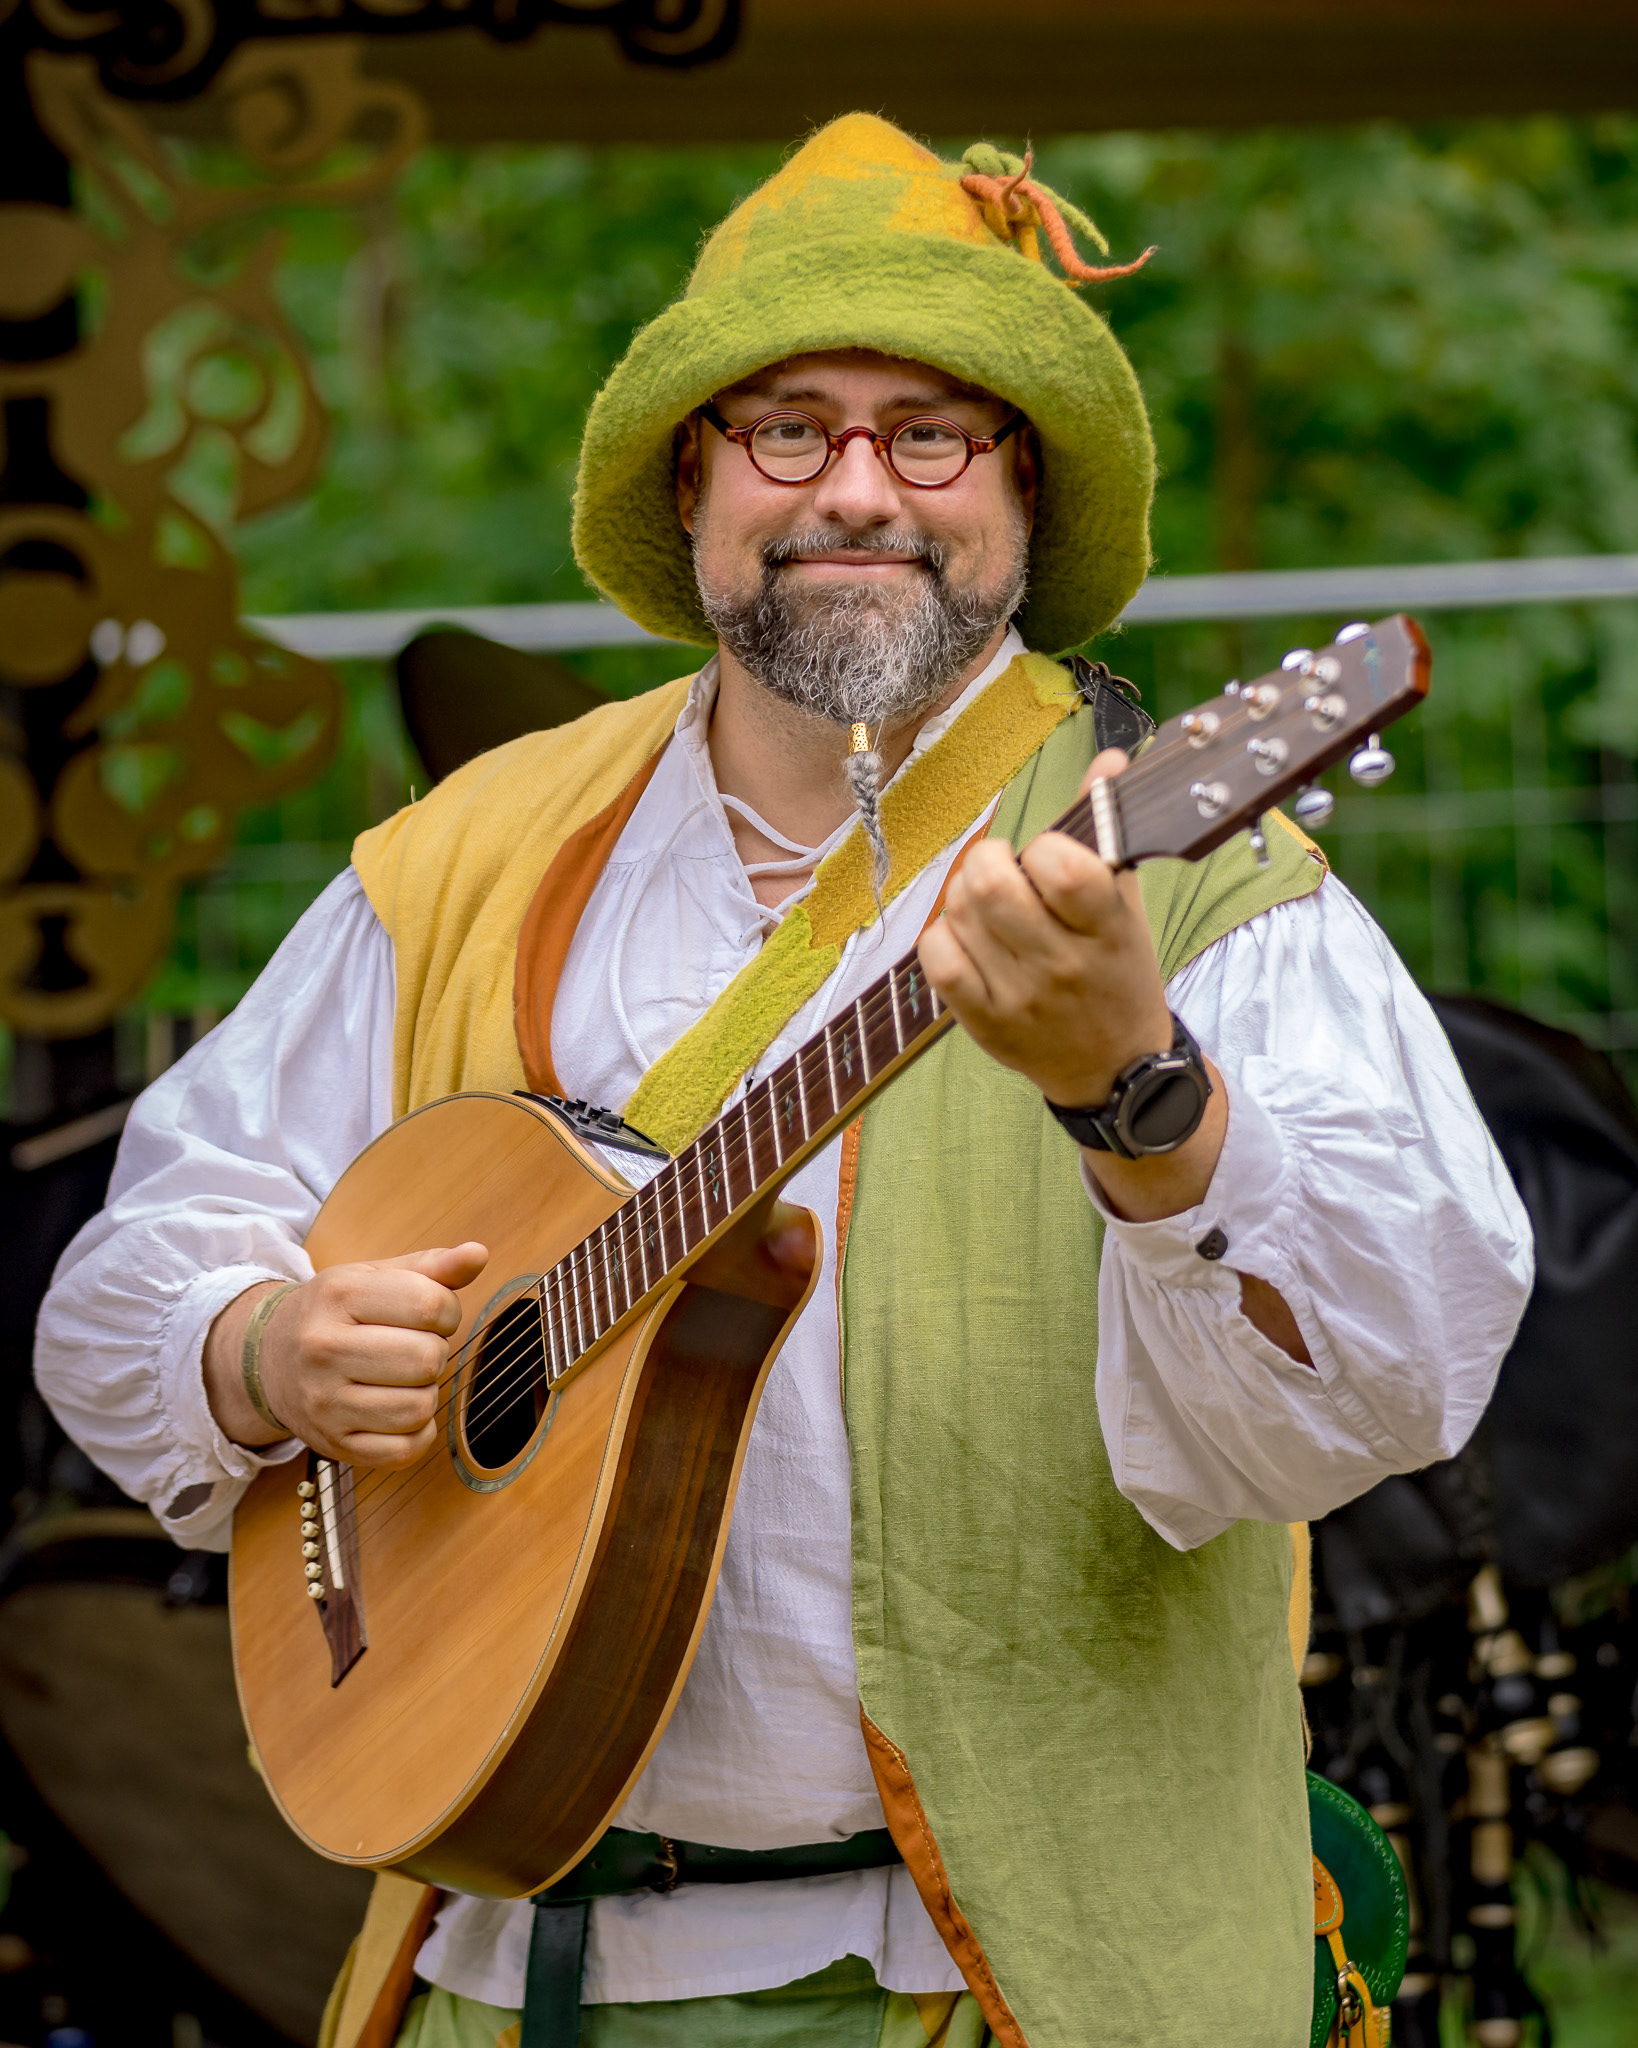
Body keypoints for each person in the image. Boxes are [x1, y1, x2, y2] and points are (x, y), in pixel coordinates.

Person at [36, 115, 1532, 2048]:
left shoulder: (1199, 877)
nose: (857, 491)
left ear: (1023, 489)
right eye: (787, 428)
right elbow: (135, 1267)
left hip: (1007, 1988)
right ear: (692, 480)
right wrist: (263, 1352)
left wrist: (1140, 1098)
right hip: (503, 1980)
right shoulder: (464, 853)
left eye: (931, 433)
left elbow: (1398, 1382)